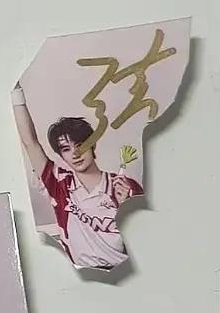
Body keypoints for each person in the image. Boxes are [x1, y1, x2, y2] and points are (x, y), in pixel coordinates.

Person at [12, 82, 142, 271]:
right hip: (83, 276)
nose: (75, 154)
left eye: (80, 145)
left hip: (126, 273)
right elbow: (30, 142)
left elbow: (146, 236)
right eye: (66, 149)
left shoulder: (125, 186)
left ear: (93, 144)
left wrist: (126, 207)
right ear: (61, 155)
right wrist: (16, 90)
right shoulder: (59, 184)